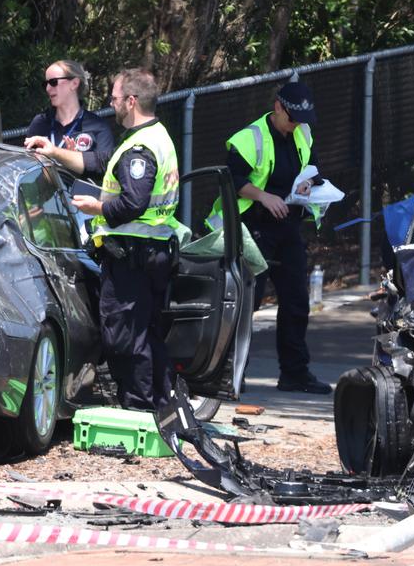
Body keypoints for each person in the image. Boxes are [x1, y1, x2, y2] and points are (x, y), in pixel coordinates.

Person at [25, 68, 184, 411]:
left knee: (125, 335)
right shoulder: (159, 135)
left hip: (133, 254)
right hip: (152, 249)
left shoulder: (140, 147)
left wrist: (97, 206)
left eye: (114, 98)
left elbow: (133, 202)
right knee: (147, 331)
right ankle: (160, 404)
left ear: (131, 101)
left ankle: (140, 407)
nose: (111, 105)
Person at [219, 80, 331, 395]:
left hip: (288, 227)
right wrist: (263, 196)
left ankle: (294, 372)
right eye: (292, 118)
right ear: (278, 107)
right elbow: (232, 179)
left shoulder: (302, 132)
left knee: (296, 299)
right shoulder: (250, 138)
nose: (297, 125)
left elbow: (313, 167)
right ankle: (228, 371)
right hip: (252, 228)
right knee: (245, 302)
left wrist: (310, 183)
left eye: (301, 120)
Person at [25, 60, 116, 165]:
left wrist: (75, 159)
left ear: (74, 83)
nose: (48, 88)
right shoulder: (40, 123)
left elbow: (105, 168)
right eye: (45, 84)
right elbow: (26, 165)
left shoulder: (99, 127)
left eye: (53, 82)